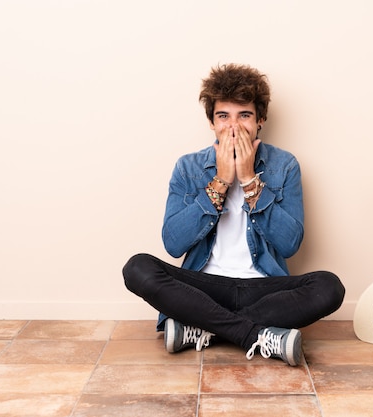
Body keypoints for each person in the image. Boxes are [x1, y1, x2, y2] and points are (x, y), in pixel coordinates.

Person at [123, 63, 345, 366]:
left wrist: (250, 181)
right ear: (211, 122)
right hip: (203, 289)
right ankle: (258, 336)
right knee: (137, 268)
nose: (233, 127)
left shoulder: (284, 165)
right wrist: (221, 182)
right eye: (223, 116)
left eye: (244, 115)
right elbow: (173, 243)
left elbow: (290, 244)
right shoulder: (188, 167)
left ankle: (202, 328)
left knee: (329, 286)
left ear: (260, 120)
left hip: (263, 289)